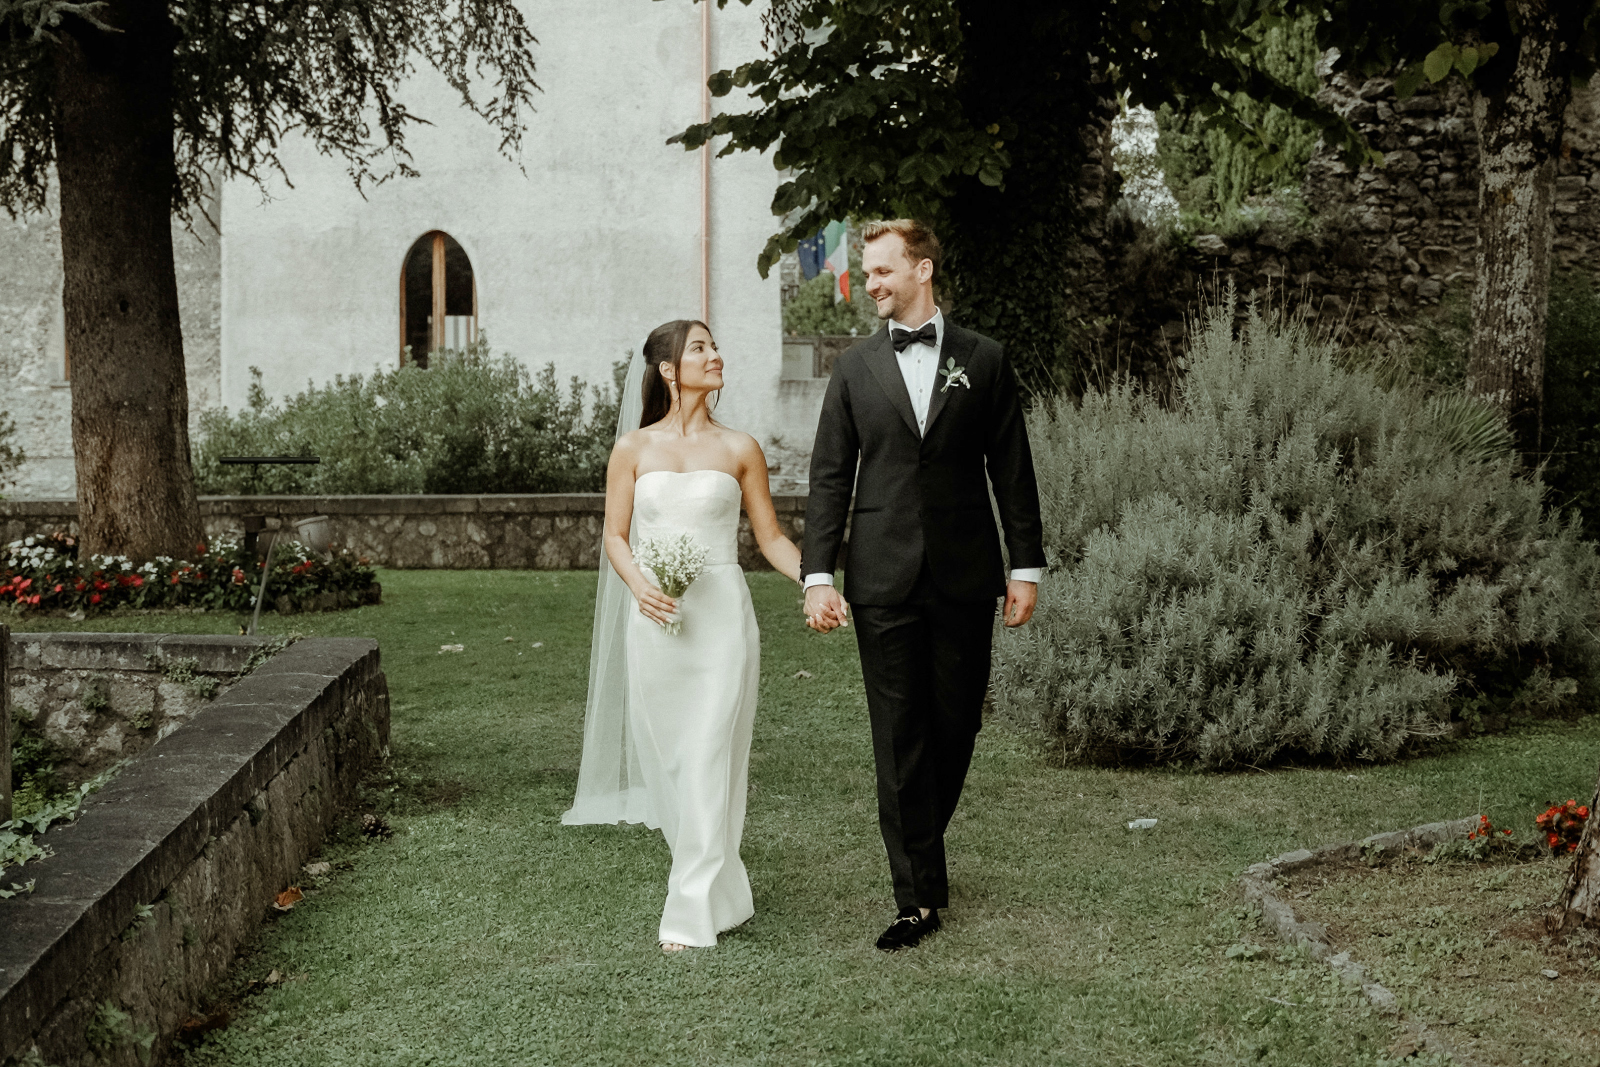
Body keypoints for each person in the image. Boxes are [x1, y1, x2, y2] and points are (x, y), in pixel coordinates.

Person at [802, 219, 1046, 951]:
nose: (870, 284)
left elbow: (1012, 467)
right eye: (868, 272)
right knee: (898, 732)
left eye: (882, 270)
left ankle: (917, 841)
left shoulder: (984, 359)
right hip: (881, 577)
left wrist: (1025, 566)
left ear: (923, 269)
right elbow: (829, 477)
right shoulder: (853, 369)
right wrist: (817, 575)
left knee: (958, 724)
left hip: (966, 573)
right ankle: (917, 897)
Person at [563, 319, 805, 953]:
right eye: (700, 348)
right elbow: (616, 535)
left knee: (710, 754)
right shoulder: (632, 449)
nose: (715, 355)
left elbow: (771, 538)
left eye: (714, 346)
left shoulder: (740, 448)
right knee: (673, 761)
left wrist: (818, 581)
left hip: (722, 621)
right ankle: (725, 892)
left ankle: (688, 910)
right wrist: (639, 585)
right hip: (658, 622)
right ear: (669, 369)